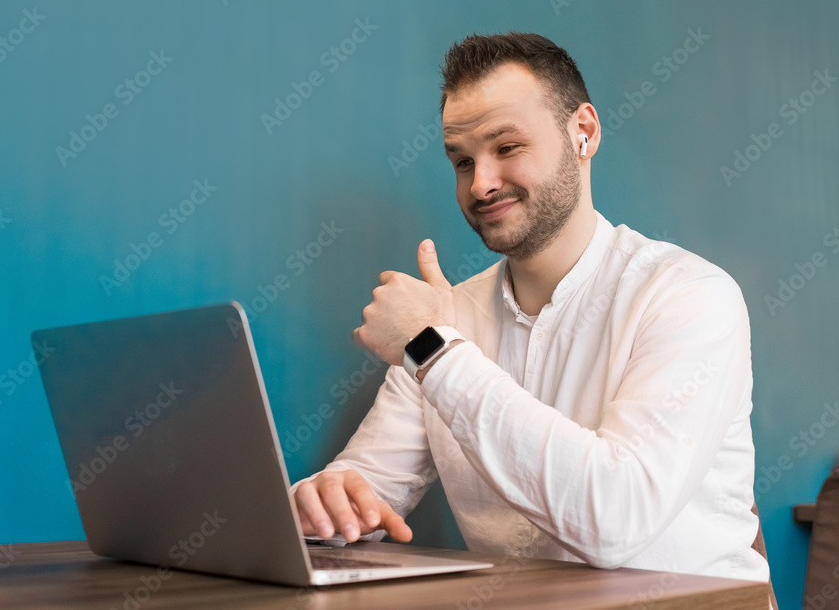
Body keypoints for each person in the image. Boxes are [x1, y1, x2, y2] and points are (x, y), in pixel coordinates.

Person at [292, 32, 772, 590]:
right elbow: (365, 489)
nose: (481, 184)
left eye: (507, 147)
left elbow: (615, 522)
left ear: (583, 133)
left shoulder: (689, 295)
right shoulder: (446, 320)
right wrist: (323, 506)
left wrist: (431, 349)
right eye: (462, 160)